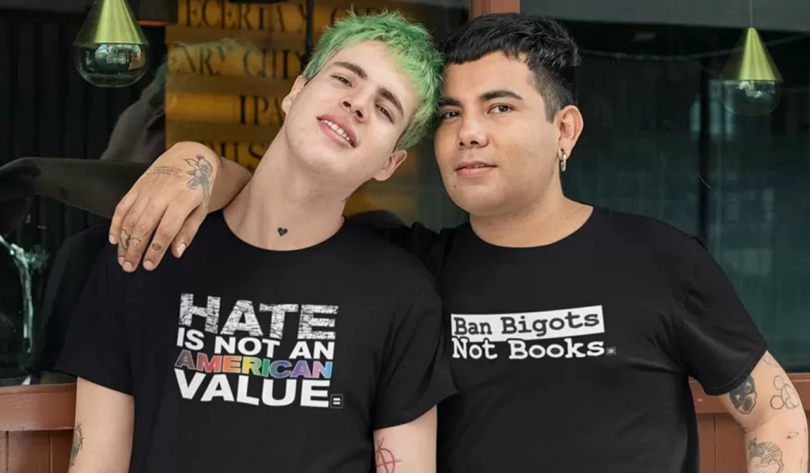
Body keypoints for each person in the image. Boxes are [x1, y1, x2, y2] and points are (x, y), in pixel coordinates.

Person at [2, 12, 806, 473]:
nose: (469, 134)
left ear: (565, 130)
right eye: (451, 115)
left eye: (498, 108)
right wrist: (194, 160)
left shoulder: (660, 259)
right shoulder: (417, 264)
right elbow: (288, 206)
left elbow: (775, 416)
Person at [53, 11, 455, 473]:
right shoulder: (147, 249)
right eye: (344, 78)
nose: (357, 104)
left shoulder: (402, 295)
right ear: (296, 93)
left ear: (391, 162)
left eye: (385, 109)